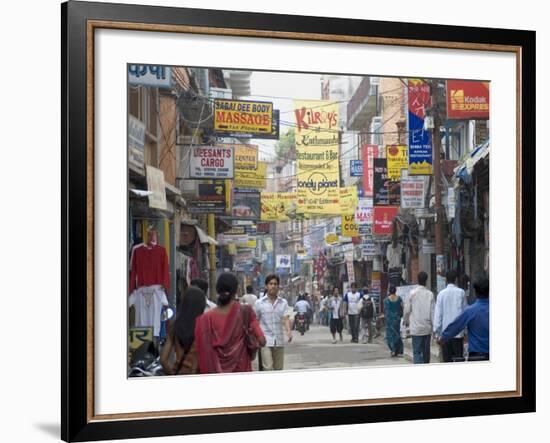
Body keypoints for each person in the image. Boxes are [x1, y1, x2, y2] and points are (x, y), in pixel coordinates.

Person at [194, 273, 266, 373]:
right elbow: (262, 341)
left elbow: (201, 352)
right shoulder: (246, 312)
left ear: (217, 290)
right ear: (236, 290)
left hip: (215, 374)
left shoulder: (206, 318)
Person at [438, 275, 489, 361]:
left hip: (476, 356)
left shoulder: (470, 311)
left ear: (475, 292)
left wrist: (443, 338)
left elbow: (456, 326)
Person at [160, 287, 205, 375]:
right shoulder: (203, 328)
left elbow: (163, 360)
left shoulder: (175, 326)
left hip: (179, 372)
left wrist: (173, 374)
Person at [254, 274, 292, 370]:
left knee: (278, 369)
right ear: (266, 286)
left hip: (279, 341)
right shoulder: (259, 303)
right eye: (271, 284)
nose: (273, 286)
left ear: (278, 286)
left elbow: (285, 318)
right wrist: (256, 336)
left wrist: (288, 331)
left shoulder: (283, 302)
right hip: (265, 341)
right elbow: (255, 321)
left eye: (275, 284)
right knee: (268, 368)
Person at [433, 269, 468, 362]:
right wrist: (465, 332)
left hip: (445, 334)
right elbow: (465, 314)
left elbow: (438, 315)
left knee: (447, 361)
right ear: (456, 279)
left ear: (446, 280)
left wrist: (436, 333)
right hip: (458, 334)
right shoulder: (461, 292)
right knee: (459, 360)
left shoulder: (441, 294)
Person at [404, 271, 435, 364]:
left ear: (418, 280)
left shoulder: (412, 293)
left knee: (417, 352)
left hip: (416, 328)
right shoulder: (430, 294)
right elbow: (433, 312)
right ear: (426, 280)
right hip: (427, 328)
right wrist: (435, 328)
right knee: (426, 353)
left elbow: (406, 310)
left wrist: (406, 321)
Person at [383, 285, 404, 357]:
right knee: (397, 334)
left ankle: (393, 350)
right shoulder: (399, 299)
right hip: (397, 319)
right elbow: (402, 309)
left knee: (390, 335)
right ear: (395, 290)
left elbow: (386, 311)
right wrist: (399, 316)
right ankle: (398, 350)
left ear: (389, 291)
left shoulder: (386, 300)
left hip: (389, 320)